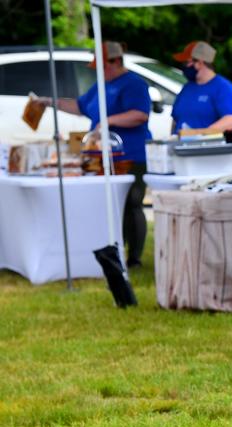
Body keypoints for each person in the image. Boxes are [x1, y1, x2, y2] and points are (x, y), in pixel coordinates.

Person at [41, 41, 151, 267]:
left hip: (131, 154)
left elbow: (140, 115)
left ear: (117, 62)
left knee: (131, 203)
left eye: (103, 66)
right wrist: (49, 103)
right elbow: (80, 107)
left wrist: (108, 121)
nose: (99, 71)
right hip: (101, 156)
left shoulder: (134, 84)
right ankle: (111, 250)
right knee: (108, 205)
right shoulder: (101, 85)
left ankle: (135, 258)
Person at [170, 41, 232, 134]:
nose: (184, 66)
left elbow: (231, 119)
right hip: (181, 146)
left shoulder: (223, 88)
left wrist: (200, 135)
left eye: (187, 62)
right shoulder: (187, 87)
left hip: (207, 147)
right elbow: (176, 120)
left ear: (200, 63)